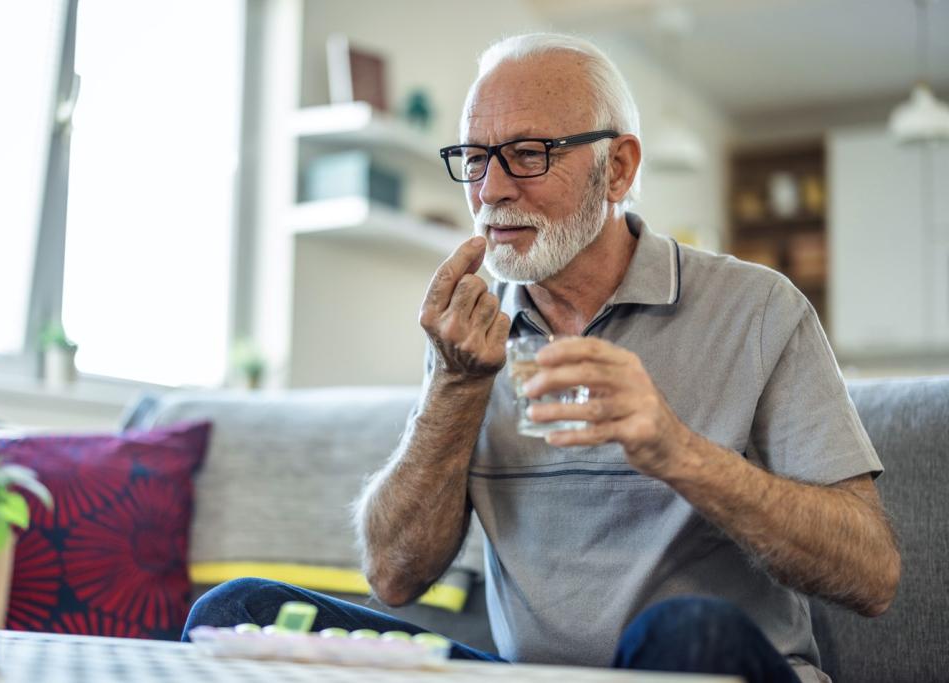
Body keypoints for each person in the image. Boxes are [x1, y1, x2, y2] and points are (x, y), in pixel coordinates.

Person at [183, 33, 900, 683]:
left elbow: (872, 574)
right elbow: (394, 574)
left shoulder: (759, 310)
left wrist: (675, 449)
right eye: (473, 159)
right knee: (240, 609)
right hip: (523, 676)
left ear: (616, 168)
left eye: (528, 154)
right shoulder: (471, 327)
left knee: (685, 632)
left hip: (708, 664)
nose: (491, 190)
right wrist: (456, 385)